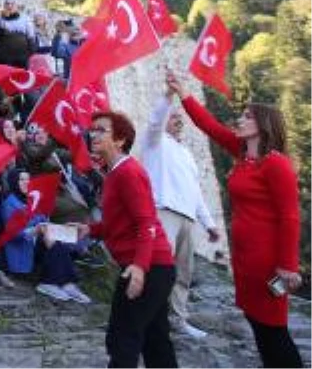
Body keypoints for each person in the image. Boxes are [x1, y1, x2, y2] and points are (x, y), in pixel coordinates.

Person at [169, 72, 304, 367]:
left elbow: (290, 216)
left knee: (274, 331)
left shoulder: (276, 164)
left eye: (247, 117)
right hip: (245, 260)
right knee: (258, 325)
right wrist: (184, 94)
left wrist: (287, 265)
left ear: (263, 126)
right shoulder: (244, 156)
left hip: (268, 263)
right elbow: (209, 126)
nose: (239, 120)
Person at [77, 111, 177, 369]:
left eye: (101, 130)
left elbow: (146, 222)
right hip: (153, 266)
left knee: (122, 338)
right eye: (92, 129)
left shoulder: (127, 172)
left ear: (120, 140)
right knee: (156, 341)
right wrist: (90, 230)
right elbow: (118, 224)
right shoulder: (114, 174)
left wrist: (140, 269)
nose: (93, 134)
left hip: (147, 266)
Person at [139, 87, 222, 339]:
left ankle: (177, 319)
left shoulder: (186, 154)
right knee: (158, 270)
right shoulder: (154, 141)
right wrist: (168, 96)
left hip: (187, 218)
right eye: (174, 116)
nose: (179, 121)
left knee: (183, 273)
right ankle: (148, 319)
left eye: (180, 118)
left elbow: (195, 191)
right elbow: (155, 120)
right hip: (163, 212)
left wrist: (209, 224)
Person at [0, 169, 89, 302]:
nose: (26, 183)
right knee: (53, 243)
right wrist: (36, 230)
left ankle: (67, 284)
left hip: (38, 241)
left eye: (28, 179)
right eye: (22, 179)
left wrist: (50, 227)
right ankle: (50, 282)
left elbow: (43, 219)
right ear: (14, 182)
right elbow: (12, 234)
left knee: (58, 242)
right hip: (22, 246)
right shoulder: (9, 203)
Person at [0, 0, 34, 69]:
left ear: (17, 6)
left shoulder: (25, 19)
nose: (9, 6)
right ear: (4, 6)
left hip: (22, 57)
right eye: (7, 4)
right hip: (5, 58)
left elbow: (31, 38)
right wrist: (1, 30)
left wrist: (30, 54)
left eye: (12, 4)